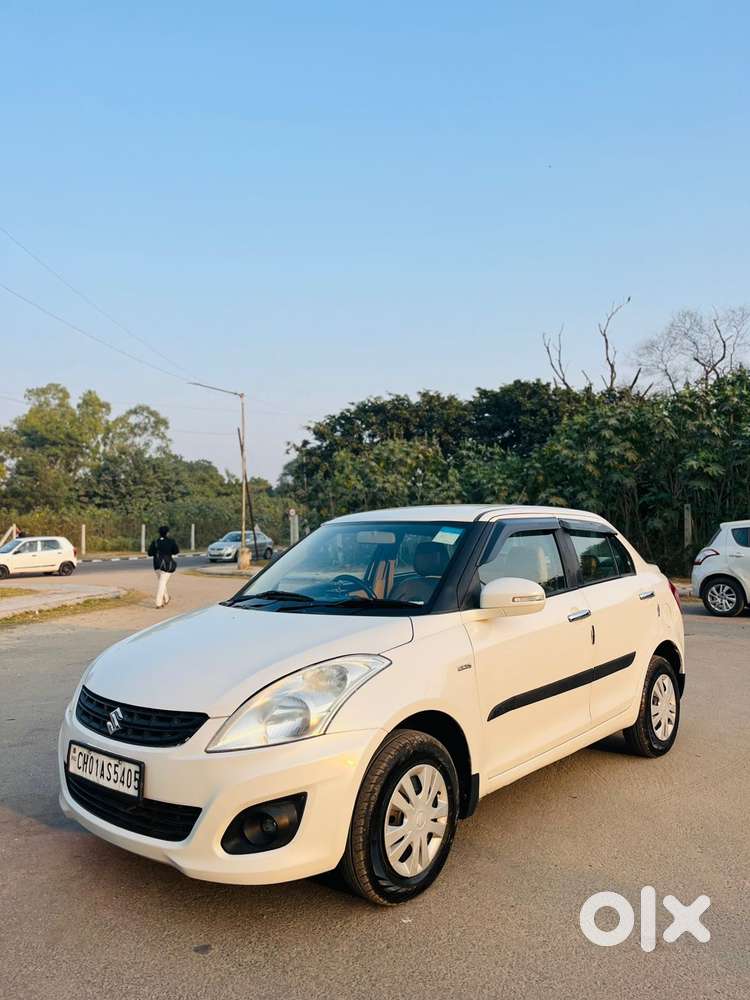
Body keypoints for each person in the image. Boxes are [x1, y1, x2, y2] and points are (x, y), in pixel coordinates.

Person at [147, 525, 179, 609]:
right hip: (167, 565)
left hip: (157, 565)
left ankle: (167, 598)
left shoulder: (155, 542)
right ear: (167, 533)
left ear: (159, 533)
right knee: (162, 583)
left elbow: (150, 553)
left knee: (162, 582)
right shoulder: (171, 541)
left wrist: (157, 552)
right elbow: (176, 551)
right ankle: (158, 603)